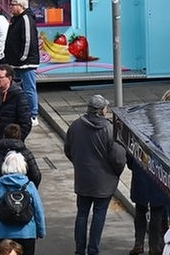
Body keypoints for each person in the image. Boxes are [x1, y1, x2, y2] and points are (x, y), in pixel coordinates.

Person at [62, 95, 124, 255]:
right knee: (99, 214)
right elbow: (118, 158)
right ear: (102, 110)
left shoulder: (76, 126)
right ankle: (93, 250)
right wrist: (115, 172)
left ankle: (79, 250)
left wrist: (79, 165)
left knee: (82, 213)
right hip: (104, 182)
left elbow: (68, 149)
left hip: (83, 180)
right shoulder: (110, 130)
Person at [0, 152, 44, 255]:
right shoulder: (29, 185)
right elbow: (38, 210)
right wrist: (41, 231)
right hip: (27, 233)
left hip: (4, 233)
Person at [1, 0, 39, 71]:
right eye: (10, 4)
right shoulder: (15, 19)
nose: (10, 7)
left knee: (27, 83)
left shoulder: (26, 18)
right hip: (15, 63)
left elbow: (28, 40)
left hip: (26, 64)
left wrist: (22, 57)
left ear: (21, 6)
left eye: (13, 5)